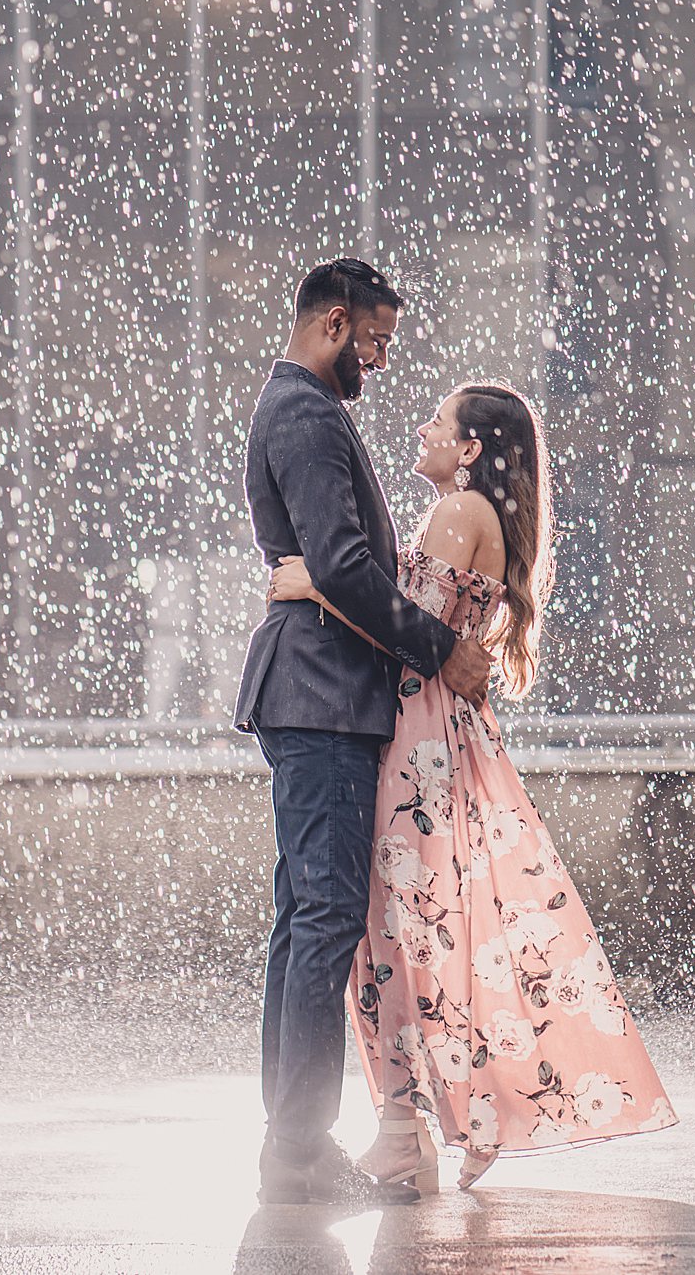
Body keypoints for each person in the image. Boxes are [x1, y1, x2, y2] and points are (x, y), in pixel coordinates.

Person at [269, 382, 679, 1198]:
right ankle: (420, 1120)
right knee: (416, 932)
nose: (422, 428)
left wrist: (310, 582)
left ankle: (407, 1124)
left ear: (468, 451)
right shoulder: (474, 516)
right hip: (431, 735)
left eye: (439, 421)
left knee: (392, 934)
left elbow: (392, 617)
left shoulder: (459, 513)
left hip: (412, 739)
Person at [234, 259, 495, 1207]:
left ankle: (290, 1146)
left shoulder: (305, 407)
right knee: (328, 919)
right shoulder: (306, 413)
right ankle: (299, 1152)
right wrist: (443, 648)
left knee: (305, 919)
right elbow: (344, 566)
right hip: (319, 697)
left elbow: (333, 566)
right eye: (376, 341)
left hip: (316, 693)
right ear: (334, 322)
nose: (381, 362)